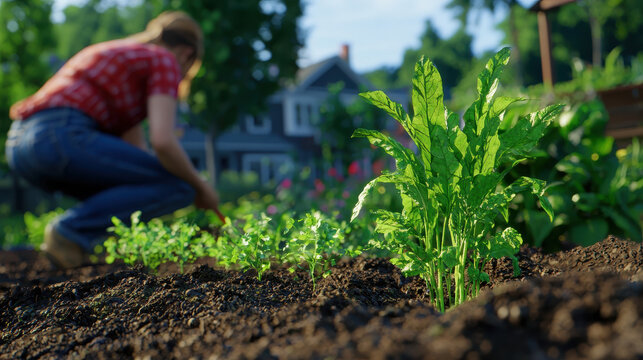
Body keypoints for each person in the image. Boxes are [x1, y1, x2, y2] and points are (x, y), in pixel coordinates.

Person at [5, 11, 220, 268]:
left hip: (21, 146)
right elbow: (163, 142)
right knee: (181, 185)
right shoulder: (164, 59)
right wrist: (201, 186)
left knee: (156, 183)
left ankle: (75, 244)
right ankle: (69, 231)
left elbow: (136, 158)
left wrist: (149, 206)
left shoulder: (120, 55)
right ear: (187, 54)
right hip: (61, 136)